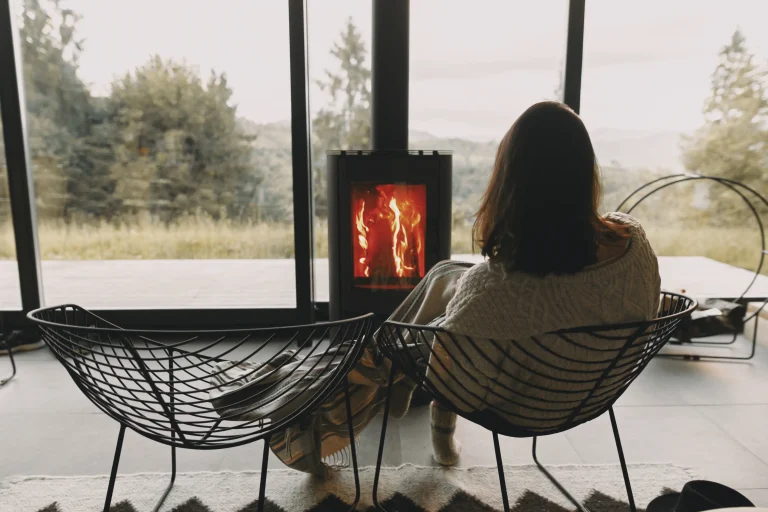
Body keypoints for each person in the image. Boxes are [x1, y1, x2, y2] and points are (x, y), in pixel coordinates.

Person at [209, 101, 661, 474]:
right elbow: (603, 302)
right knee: (446, 273)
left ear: (514, 182)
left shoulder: (498, 289)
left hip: (522, 399)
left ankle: (308, 409)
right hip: (584, 384)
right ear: (585, 172)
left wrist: (411, 348)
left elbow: (449, 370)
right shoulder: (632, 240)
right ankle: (340, 370)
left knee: (385, 351)